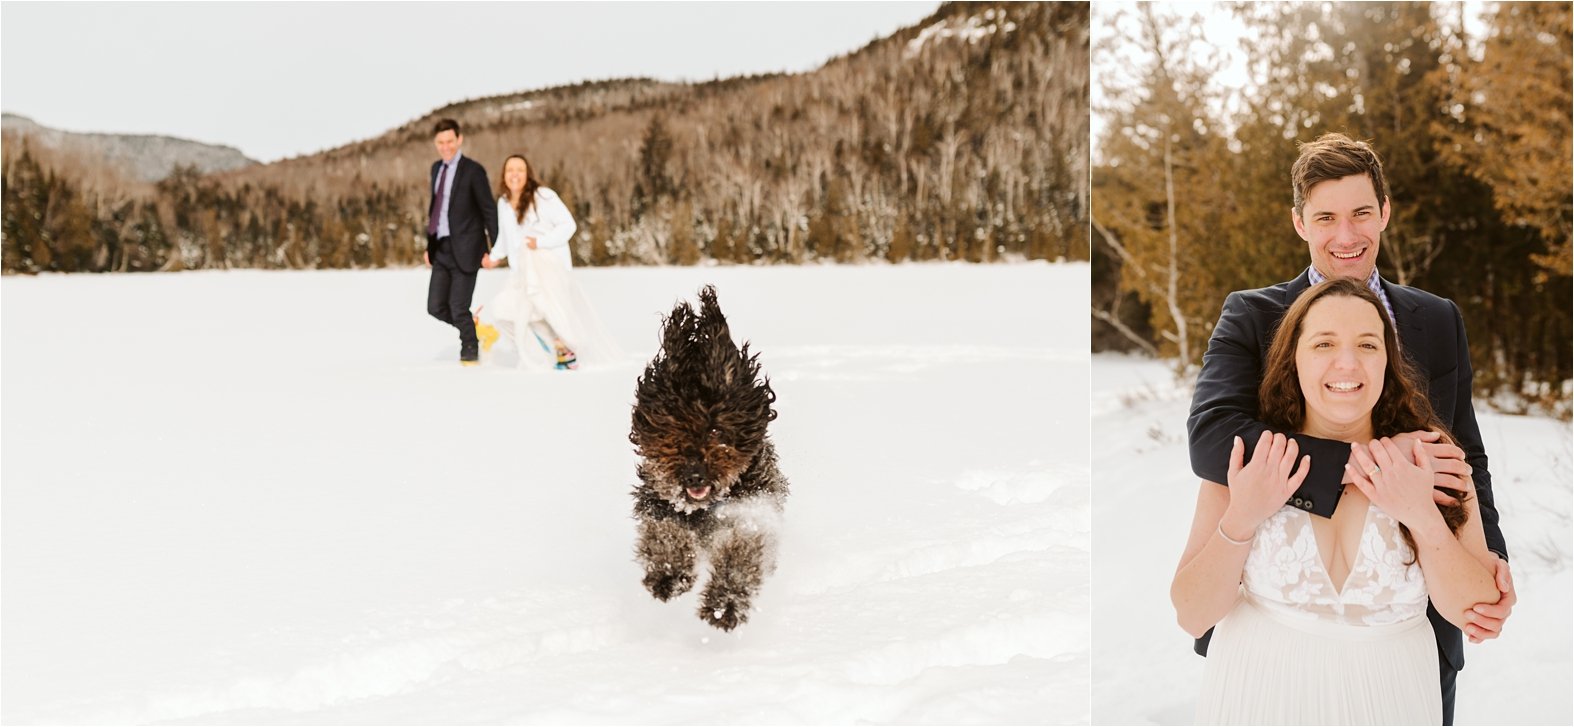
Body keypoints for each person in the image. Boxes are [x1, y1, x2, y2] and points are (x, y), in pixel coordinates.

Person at [1185, 133, 1514, 724]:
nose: (1346, 235)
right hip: (1269, 654)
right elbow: (1213, 439)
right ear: (1299, 223)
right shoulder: (1254, 315)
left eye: (1362, 212)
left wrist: (1487, 556)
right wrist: (1369, 467)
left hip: (1408, 635)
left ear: (1385, 212)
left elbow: (1465, 455)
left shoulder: (1437, 319)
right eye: (1326, 217)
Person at [477, 153, 621, 370]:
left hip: (548, 269)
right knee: (503, 311)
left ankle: (565, 354)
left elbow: (568, 225)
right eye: (510, 170)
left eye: (520, 170)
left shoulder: (543, 196)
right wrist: (494, 258)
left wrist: (541, 242)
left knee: (549, 313)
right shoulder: (504, 202)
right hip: (521, 273)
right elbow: (505, 240)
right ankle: (547, 352)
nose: (514, 174)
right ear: (504, 175)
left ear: (528, 174)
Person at [424, 118, 498, 366]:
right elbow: (435, 210)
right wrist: (430, 246)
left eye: (450, 141)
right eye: (441, 142)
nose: (446, 146)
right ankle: (477, 329)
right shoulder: (436, 169)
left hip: (467, 249)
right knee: (435, 307)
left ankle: (470, 347)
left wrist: (494, 250)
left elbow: (489, 210)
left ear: (459, 139)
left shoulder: (473, 171)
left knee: (458, 306)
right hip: (441, 249)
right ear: (436, 143)